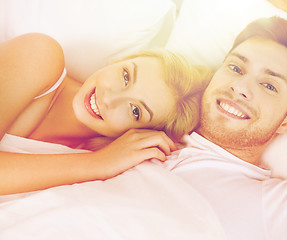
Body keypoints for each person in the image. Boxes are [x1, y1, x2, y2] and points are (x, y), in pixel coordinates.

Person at [156, 0, 287, 239]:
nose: (240, 87)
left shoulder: (281, 214)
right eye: (236, 68)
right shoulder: (139, 126)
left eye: (269, 85)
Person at [0, 34, 212, 195]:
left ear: (139, 134)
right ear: (119, 61)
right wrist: (97, 164)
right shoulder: (39, 55)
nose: (109, 98)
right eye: (126, 76)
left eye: (135, 110)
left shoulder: (99, 165)